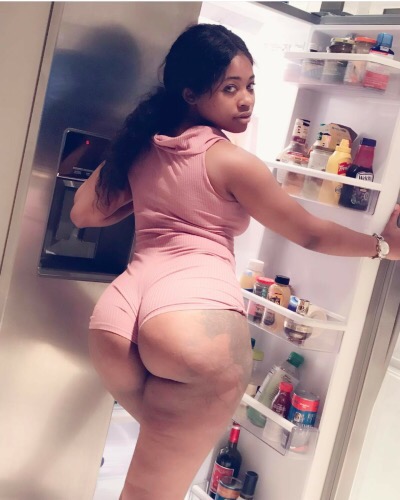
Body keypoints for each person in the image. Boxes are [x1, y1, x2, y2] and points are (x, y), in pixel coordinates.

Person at [70, 23, 400, 500]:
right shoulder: (230, 162)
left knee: (148, 481)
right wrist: (384, 246)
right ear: (190, 93)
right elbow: (309, 231)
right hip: (190, 327)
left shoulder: (143, 144)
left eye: (249, 86)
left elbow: (84, 213)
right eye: (230, 88)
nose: (245, 100)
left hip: (116, 323)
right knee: (152, 491)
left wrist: (142, 196)